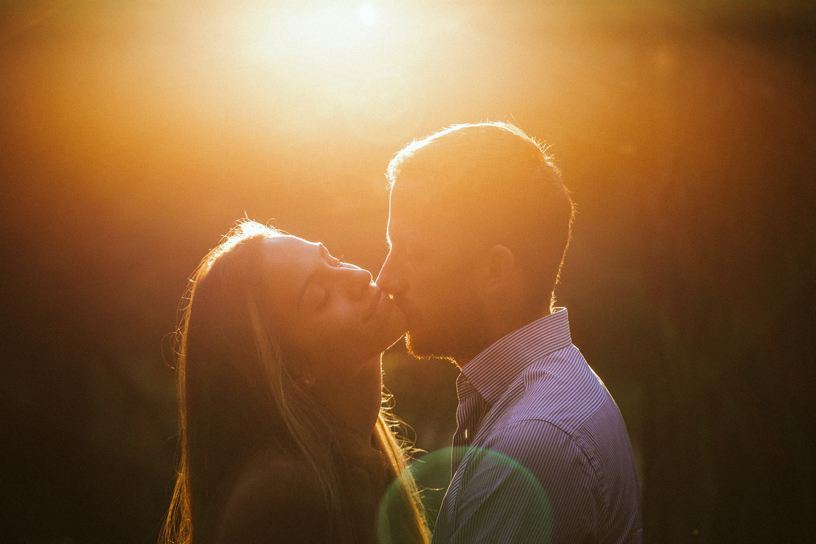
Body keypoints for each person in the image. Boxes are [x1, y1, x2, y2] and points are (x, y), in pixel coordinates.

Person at [377, 122, 643, 543]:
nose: (386, 278)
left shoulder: (531, 445)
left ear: (494, 272)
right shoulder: (551, 396)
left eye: (414, 253)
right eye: (391, 248)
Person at [160, 220, 429, 544]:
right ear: (293, 371)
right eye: (321, 296)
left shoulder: (362, 465)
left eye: (333, 259)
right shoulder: (285, 497)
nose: (359, 276)